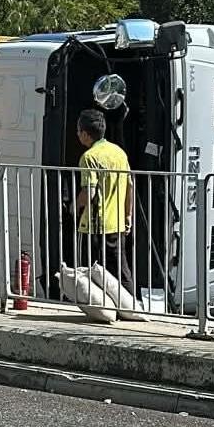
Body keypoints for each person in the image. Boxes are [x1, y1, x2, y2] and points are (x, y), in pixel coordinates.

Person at [74, 109, 135, 297]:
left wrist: (75, 206)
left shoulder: (88, 157)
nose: (77, 135)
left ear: (85, 134)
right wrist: (128, 215)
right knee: (120, 269)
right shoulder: (119, 153)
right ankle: (130, 305)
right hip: (116, 223)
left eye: (78, 131)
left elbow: (89, 190)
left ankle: (95, 306)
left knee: (87, 270)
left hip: (93, 224)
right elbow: (129, 186)